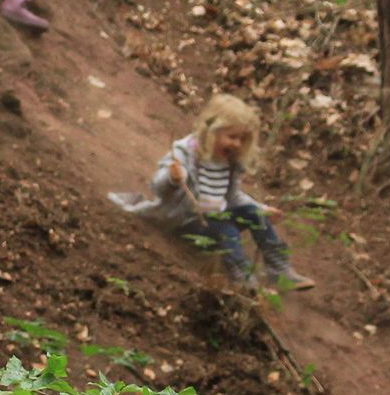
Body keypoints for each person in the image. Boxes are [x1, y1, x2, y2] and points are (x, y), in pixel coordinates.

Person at [110, 94, 314, 291]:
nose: (236, 144)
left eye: (242, 139)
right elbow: (158, 188)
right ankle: (242, 278)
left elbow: (232, 197)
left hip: (214, 220)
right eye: (231, 136)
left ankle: (279, 270)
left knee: (254, 215)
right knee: (225, 227)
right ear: (212, 130)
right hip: (186, 221)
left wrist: (260, 208)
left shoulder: (230, 162)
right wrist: (172, 178)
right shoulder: (186, 151)